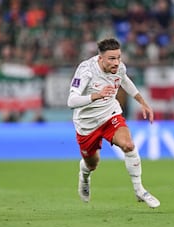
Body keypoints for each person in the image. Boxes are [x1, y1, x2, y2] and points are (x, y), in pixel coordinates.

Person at [67, 38, 160, 208]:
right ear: (100, 58)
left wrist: (142, 101)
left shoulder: (119, 67)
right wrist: (97, 95)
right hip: (86, 124)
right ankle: (84, 176)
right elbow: (71, 101)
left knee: (128, 145)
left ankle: (139, 190)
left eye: (118, 57)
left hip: (110, 115)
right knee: (92, 164)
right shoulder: (86, 70)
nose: (116, 62)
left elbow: (124, 80)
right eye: (111, 58)